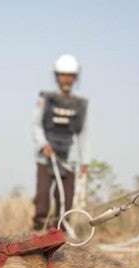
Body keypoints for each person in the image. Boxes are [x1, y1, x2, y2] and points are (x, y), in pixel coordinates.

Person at [32, 54, 89, 230]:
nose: (66, 79)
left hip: (68, 159)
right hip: (46, 157)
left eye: (70, 75)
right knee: (42, 197)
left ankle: (60, 234)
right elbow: (36, 125)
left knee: (65, 198)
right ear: (56, 76)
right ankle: (38, 232)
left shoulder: (80, 104)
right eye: (63, 75)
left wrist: (84, 160)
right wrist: (43, 145)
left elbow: (83, 133)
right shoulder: (45, 99)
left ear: (75, 78)